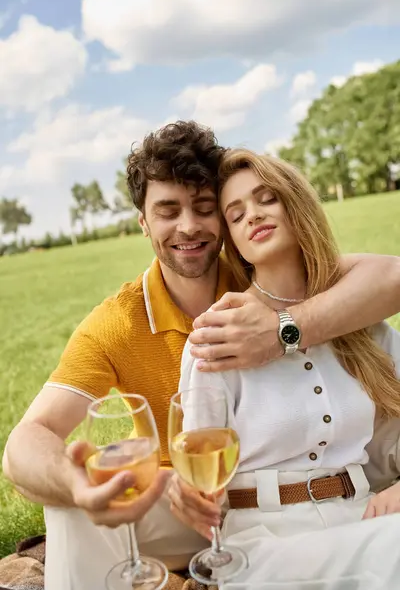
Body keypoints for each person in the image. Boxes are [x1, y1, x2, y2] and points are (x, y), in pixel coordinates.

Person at [2, 121, 400, 590]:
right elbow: (28, 440)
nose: (188, 226)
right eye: (168, 211)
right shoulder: (118, 322)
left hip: (323, 481)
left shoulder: (264, 267)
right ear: (143, 221)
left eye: (205, 209)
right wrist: (79, 486)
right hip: (180, 498)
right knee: (72, 503)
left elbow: (384, 278)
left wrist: (281, 331)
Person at [174, 148, 400, 587]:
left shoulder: (362, 323)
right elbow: (201, 478)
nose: (253, 216)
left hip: (364, 517)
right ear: (232, 242)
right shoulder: (217, 337)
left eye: (266, 199)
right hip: (263, 540)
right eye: (235, 216)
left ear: (296, 203)